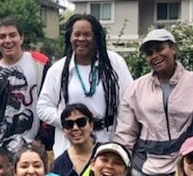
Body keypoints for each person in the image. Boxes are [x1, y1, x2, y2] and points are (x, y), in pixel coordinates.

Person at [114, 29, 193, 176]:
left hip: (186, 169)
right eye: (149, 53)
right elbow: (126, 132)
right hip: (144, 172)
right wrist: (122, 168)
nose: (155, 55)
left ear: (173, 49)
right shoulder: (135, 88)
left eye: (159, 49)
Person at [37, 13, 133, 156]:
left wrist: (121, 141)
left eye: (87, 34)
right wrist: (73, 122)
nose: (81, 39)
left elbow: (129, 102)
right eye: (77, 34)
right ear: (70, 37)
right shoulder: (58, 69)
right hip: (69, 145)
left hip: (106, 143)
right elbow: (43, 107)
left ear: (96, 37)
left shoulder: (114, 63)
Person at [0, 17, 53, 151]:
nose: (8, 41)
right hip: (3, 150)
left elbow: (52, 102)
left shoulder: (41, 64)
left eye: (12, 35)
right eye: (2, 37)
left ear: (21, 38)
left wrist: (43, 140)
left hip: (36, 147)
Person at [49, 104, 98, 176]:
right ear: (63, 131)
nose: (75, 128)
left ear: (91, 125)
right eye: (69, 124)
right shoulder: (59, 164)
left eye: (81, 122)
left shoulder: (104, 154)